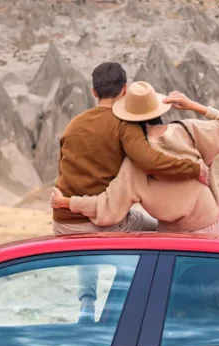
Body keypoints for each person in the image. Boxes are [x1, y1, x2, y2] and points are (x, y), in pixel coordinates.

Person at [52, 63, 208, 321]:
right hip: (101, 221)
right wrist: (192, 169)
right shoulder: (124, 124)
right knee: (156, 232)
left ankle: (87, 304)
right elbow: (150, 161)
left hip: (64, 222)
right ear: (125, 90)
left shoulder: (73, 125)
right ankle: (123, 309)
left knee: (88, 231)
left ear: (93, 92)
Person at [52, 83, 219, 236]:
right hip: (218, 227)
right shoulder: (189, 131)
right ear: (159, 110)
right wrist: (192, 105)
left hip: (179, 241)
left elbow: (107, 208)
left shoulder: (134, 167)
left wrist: (66, 203)